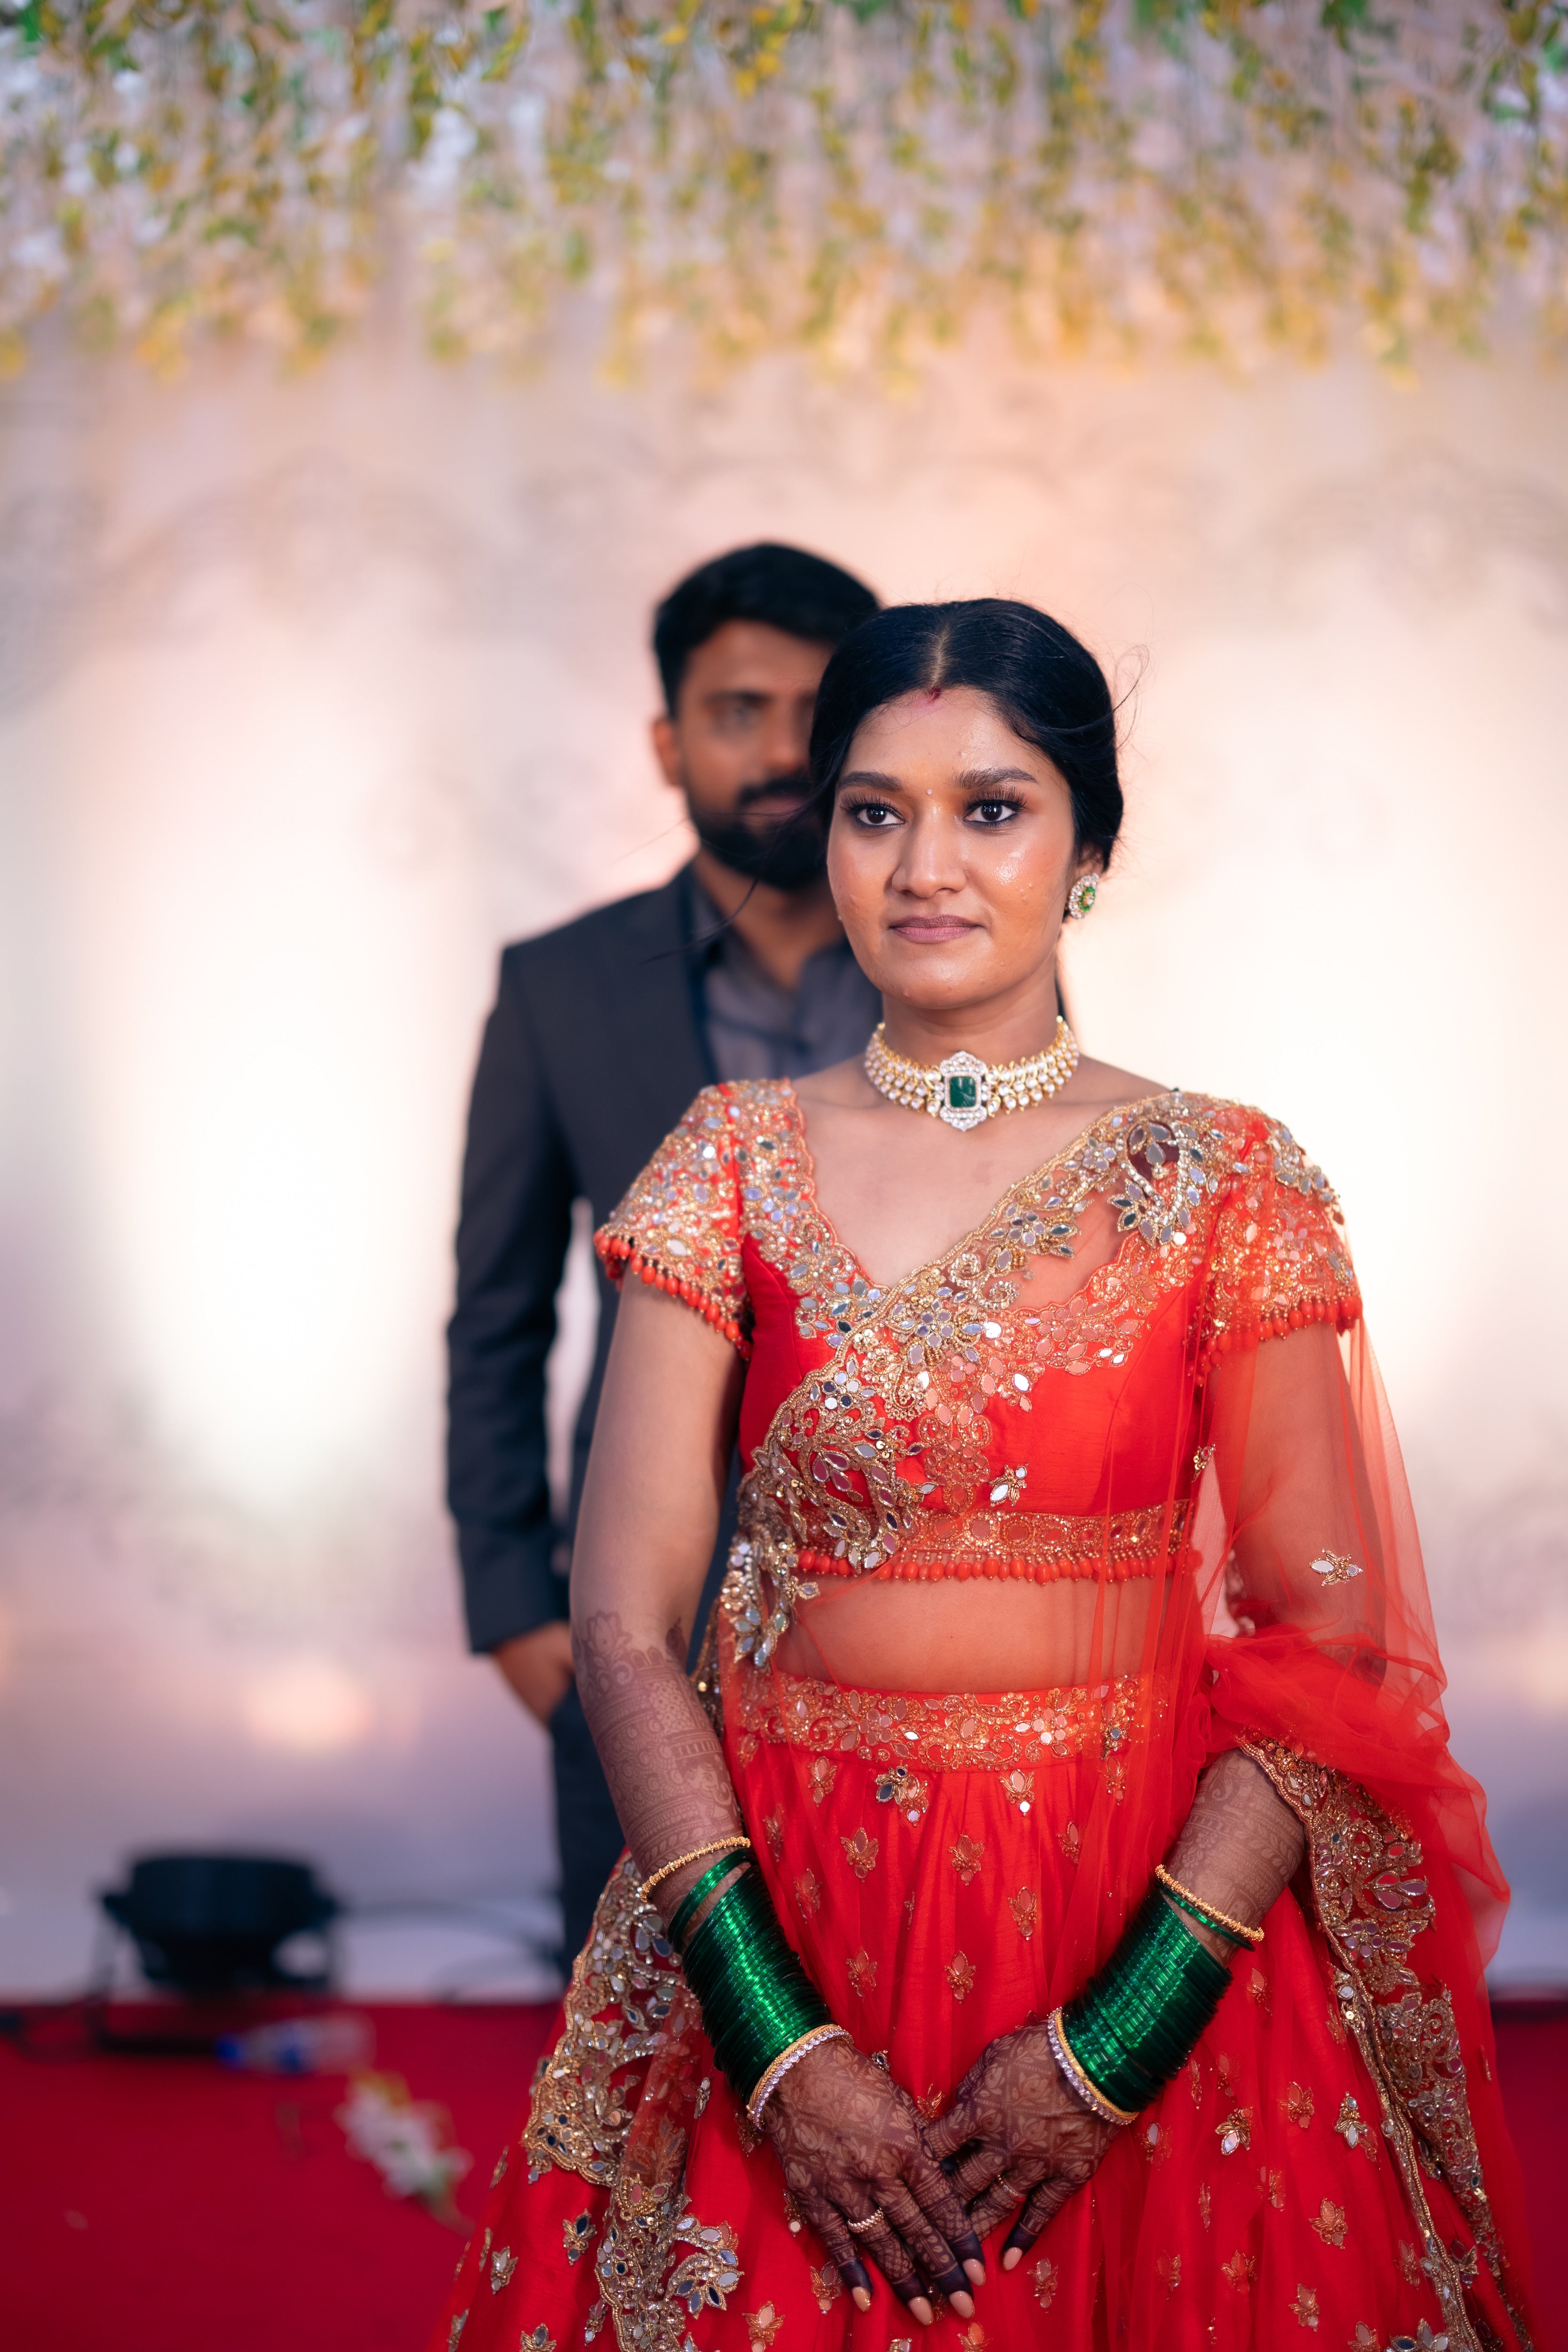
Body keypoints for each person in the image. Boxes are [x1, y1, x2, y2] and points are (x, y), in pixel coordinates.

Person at [433, 600, 1538, 2349]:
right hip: (787, 1916)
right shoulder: (730, 1162)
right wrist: (773, 2036)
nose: (925, 865)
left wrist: (1123, 2038)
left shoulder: (1221, 1178)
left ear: (1092, 845)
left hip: (1143, 1919)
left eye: (994, 809)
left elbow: (1322, 1630)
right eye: (876, 812)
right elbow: (628, 1625)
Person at [447, 543, 882, 1963]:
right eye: (737, 709)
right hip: (643, 1617)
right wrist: (517, 1607)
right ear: (665, 740)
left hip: (926, 1611)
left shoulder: (949, 953)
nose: (776, 752)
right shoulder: (560, 989)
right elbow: (497, 1318)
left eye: (815, 715)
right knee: (638, 2063)